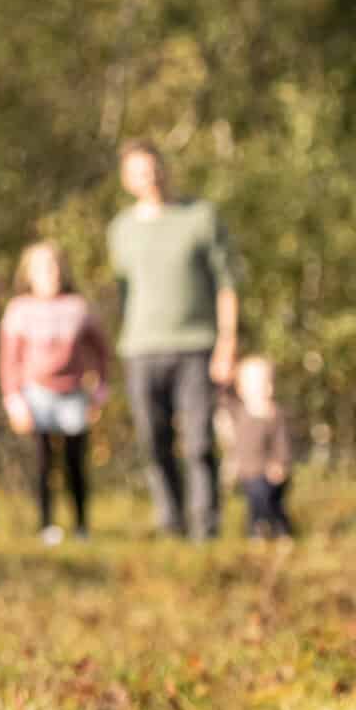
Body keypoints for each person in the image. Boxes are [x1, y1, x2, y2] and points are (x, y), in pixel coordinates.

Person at [107, 142, 238, 541]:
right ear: (127, 180)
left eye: (155, 168)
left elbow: (227, 284)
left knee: (198, 442)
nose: (151, 178)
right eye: (140, 172)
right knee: (153, 442)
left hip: (196, 345)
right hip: (141, 349)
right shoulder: (121, 230)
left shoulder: (200, 217)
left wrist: (227, 342)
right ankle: (171, 523)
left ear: (166, 169)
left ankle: (206, 527)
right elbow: (124, 291)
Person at [0, 242, 111, 543]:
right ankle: (46, 525)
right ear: (29, 273)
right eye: (44, 267)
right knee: (43, 462)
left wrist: (100, 388)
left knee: (76, 462)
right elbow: (9, 360)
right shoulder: (19, 310)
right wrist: (13, 399)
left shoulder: (78, 307)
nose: (52, 273)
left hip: (72, 394)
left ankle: (81, 527)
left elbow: (101, 350)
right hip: (36, 394)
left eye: (56, 265)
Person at [220, 352, 294, 538]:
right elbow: (221, 396)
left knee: (274, 504)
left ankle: (281, 531)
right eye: (251, 382)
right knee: (256, 503)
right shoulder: (239, 410)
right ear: (240, 387)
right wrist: (225, 374)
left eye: (262, 381)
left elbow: (282, 442)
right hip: (248, 472)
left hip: (270, 472)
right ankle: (257, 532)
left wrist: (280, 462)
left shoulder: (274, 414)